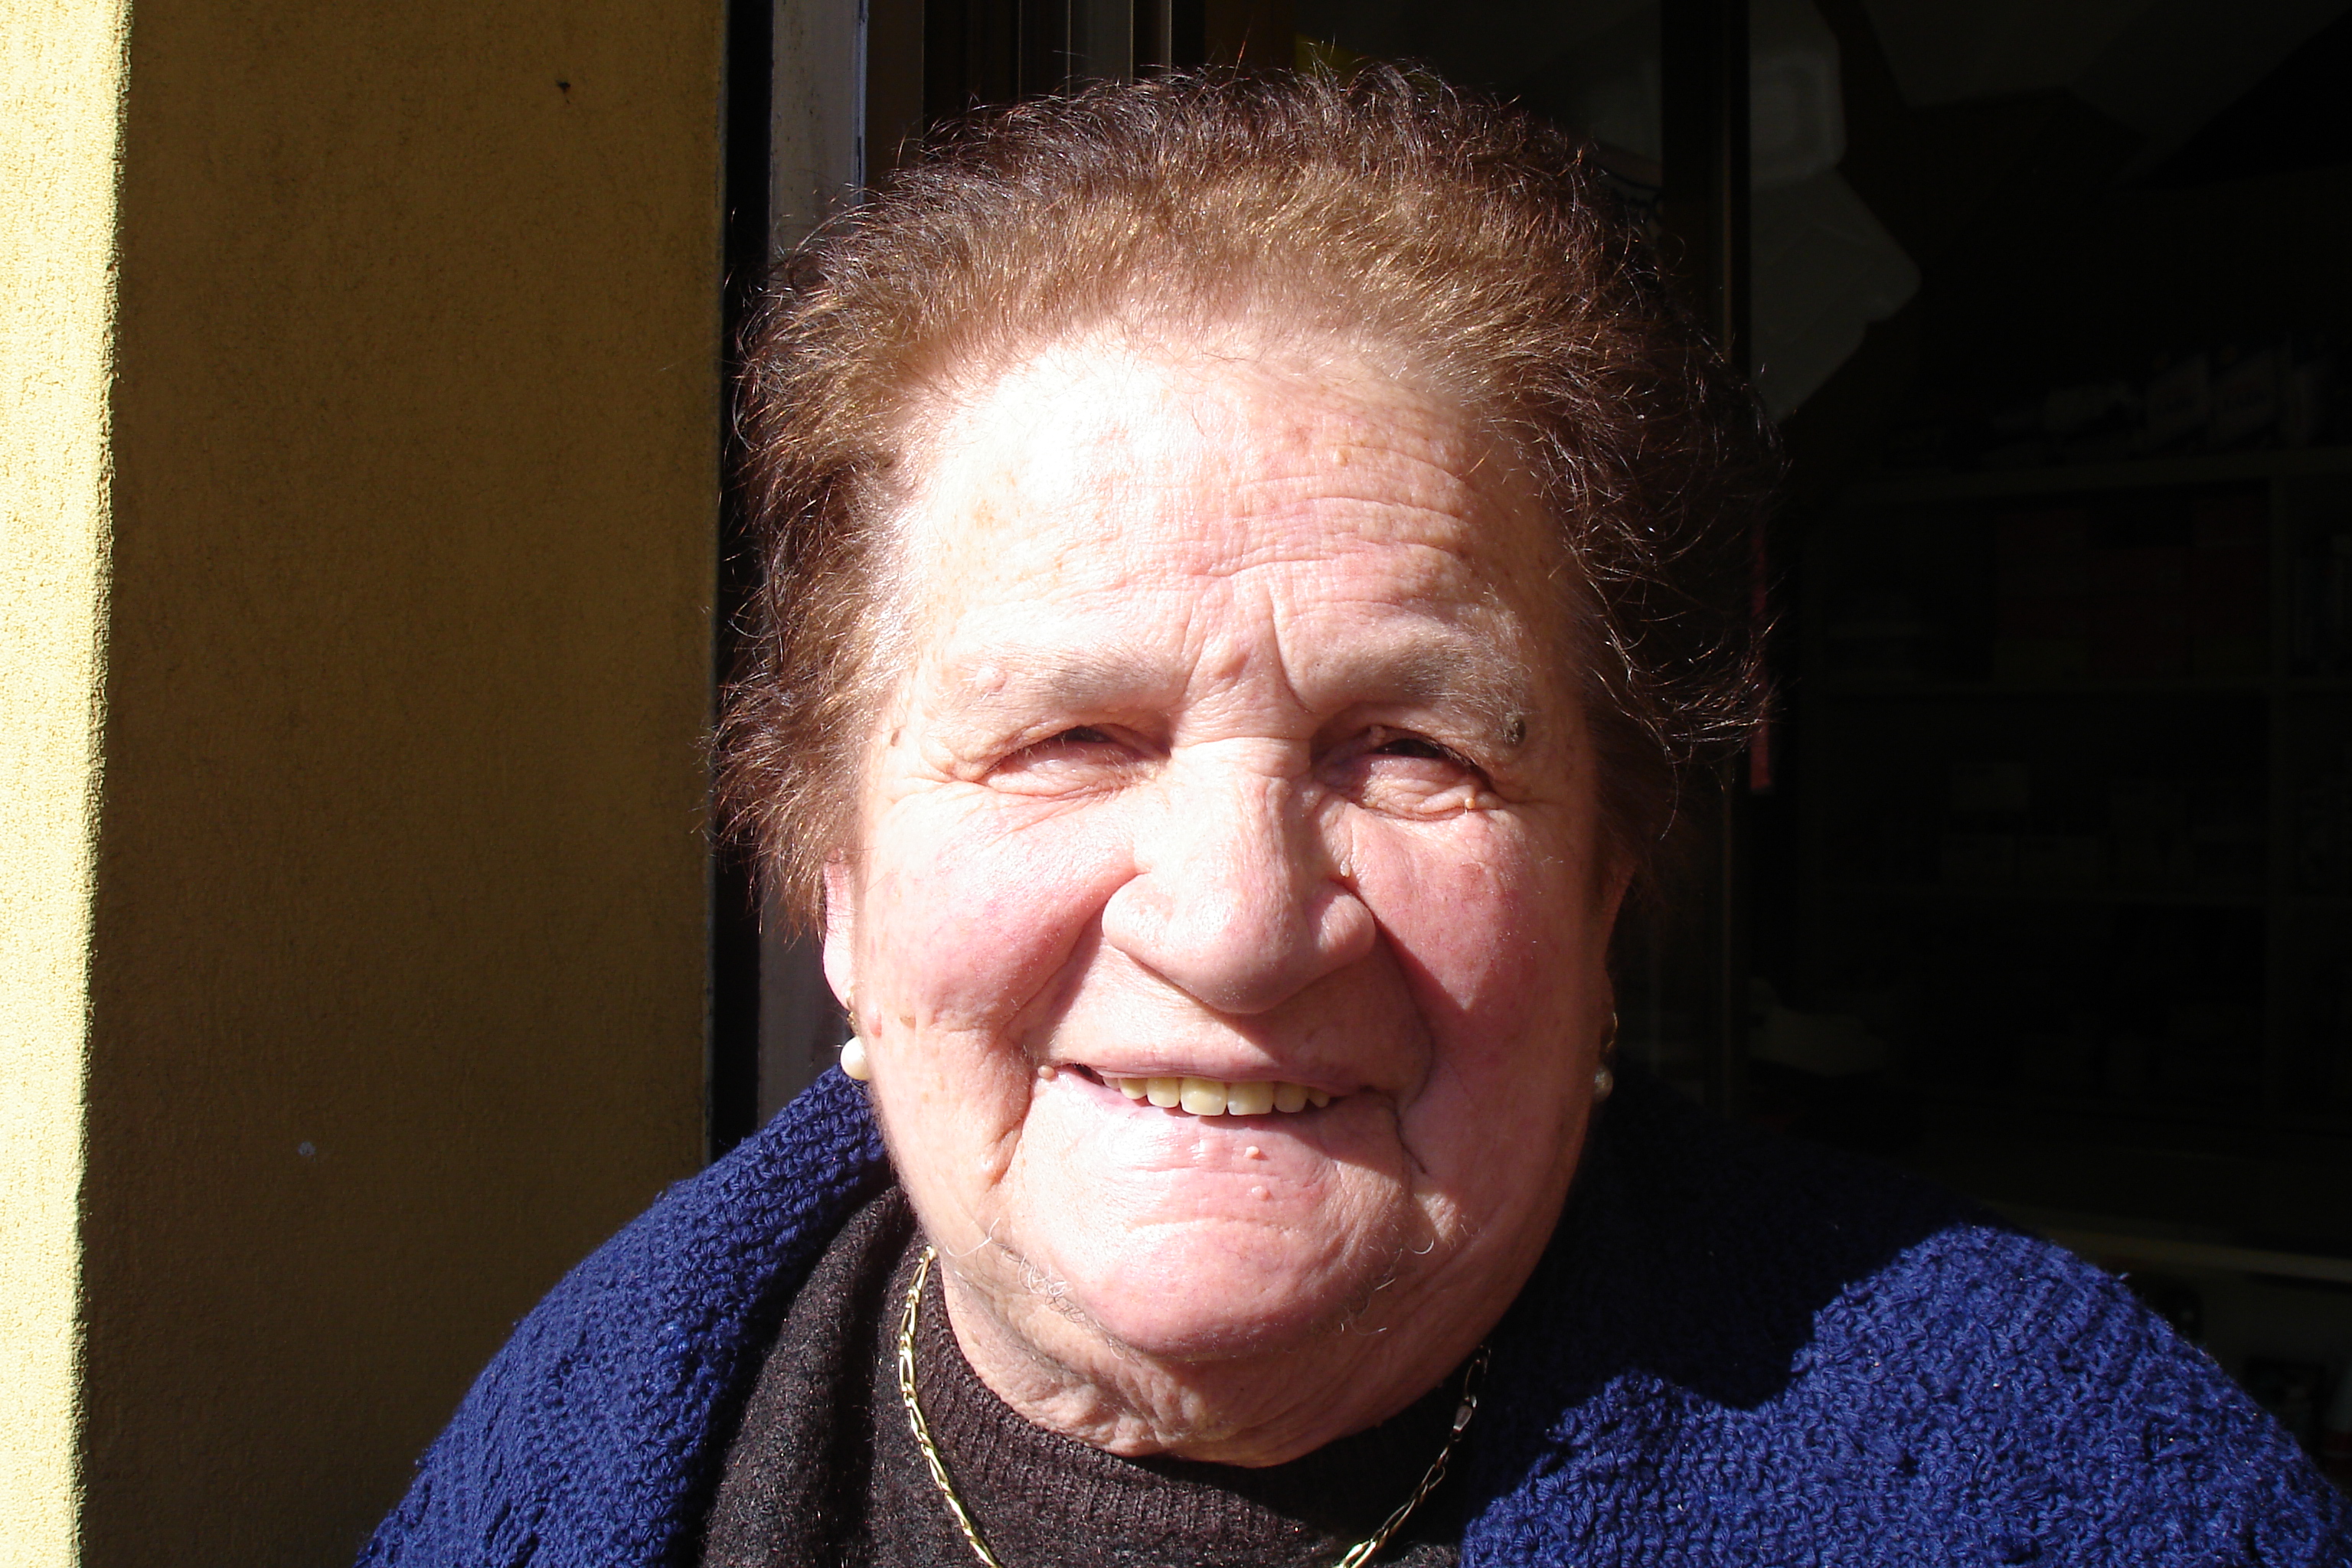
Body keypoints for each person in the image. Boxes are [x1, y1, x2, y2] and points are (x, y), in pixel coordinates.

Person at [362, 68, 2351, 1566]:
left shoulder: (2039, 1489)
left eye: (1417, 748)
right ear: (840, 888)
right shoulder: (583, 1445)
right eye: (1067, 735)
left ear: (1606, 883)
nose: (1237, 925)